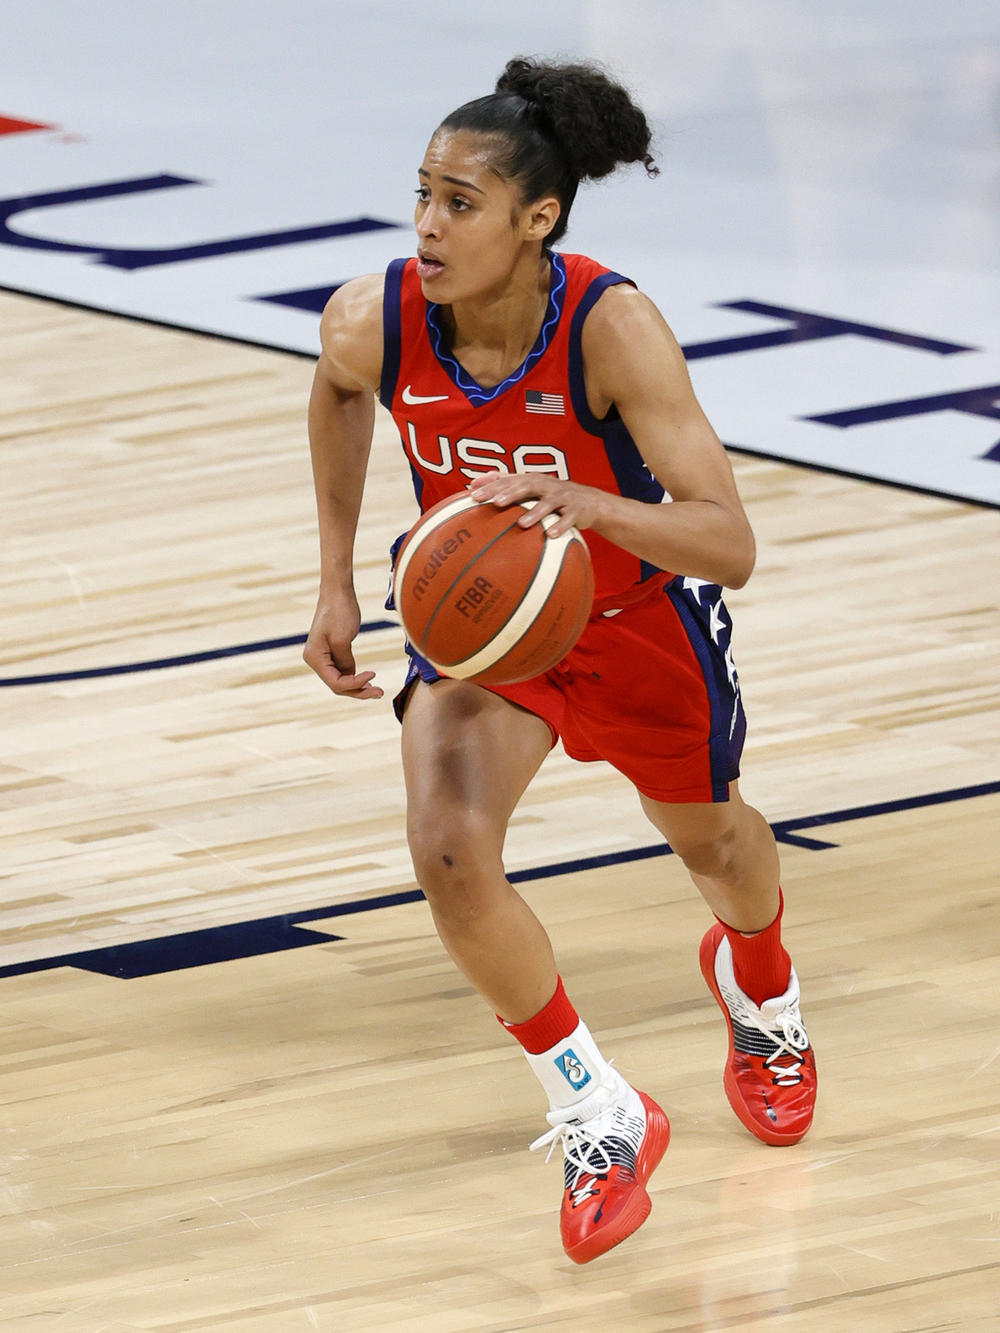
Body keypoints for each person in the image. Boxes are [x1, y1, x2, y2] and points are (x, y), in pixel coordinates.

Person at [304, 56, 817, 1265]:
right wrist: (333, 576)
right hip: (486, 635)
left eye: (461, 202)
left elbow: (726, 542)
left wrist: (587, 502)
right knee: (445, 849)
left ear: (538, 219)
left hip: (634, 612)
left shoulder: (611, 326)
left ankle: (762, 985)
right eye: (422, 194)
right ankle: (597, 1107)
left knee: (719, 845)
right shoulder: (371, 318)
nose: (428, 224)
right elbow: (337, 393)